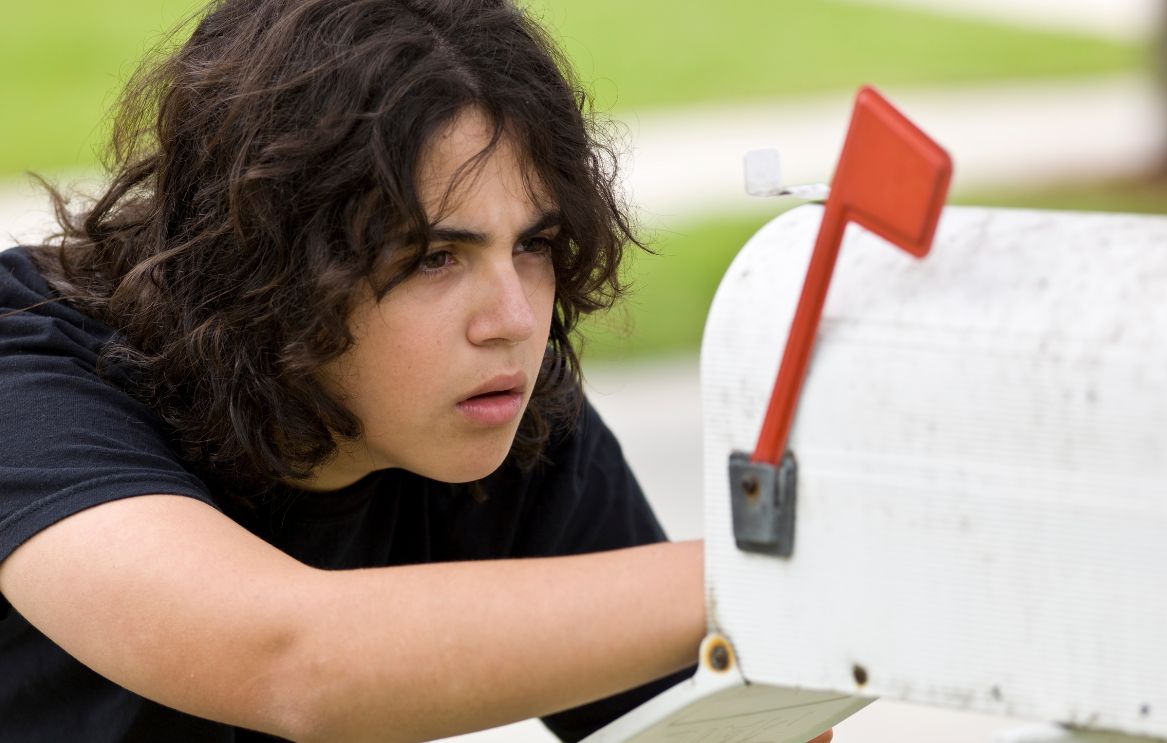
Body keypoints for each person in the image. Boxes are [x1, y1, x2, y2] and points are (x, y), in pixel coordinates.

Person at [0, 1, 834, 741]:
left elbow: (715, 722)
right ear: (266, 263)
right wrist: (784, 566)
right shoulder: (27, 366)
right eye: (436, 257)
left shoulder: (500, 404)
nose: (511, 320)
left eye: (533, 245)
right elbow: (290, 658)